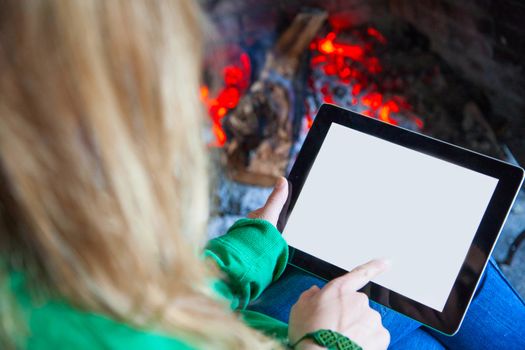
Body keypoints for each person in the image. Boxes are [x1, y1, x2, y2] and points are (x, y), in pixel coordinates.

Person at [0, 1, 523, 349]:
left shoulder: (53, 259)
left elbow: (159, 305)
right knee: (437, 272)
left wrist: (242, 254)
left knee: (444, 263)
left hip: (259, 324)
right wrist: (327, 344)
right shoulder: (48, 328)